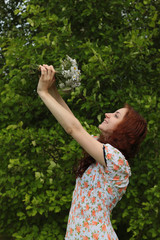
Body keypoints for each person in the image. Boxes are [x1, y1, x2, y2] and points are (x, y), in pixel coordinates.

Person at [37, 64, 147, 240]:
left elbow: (74, 129)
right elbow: (73, 122)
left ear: (124, 131)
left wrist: (43, 93)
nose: (107, 114)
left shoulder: (116, 160)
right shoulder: (102, 152)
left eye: (116, 116)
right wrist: (52, 89)